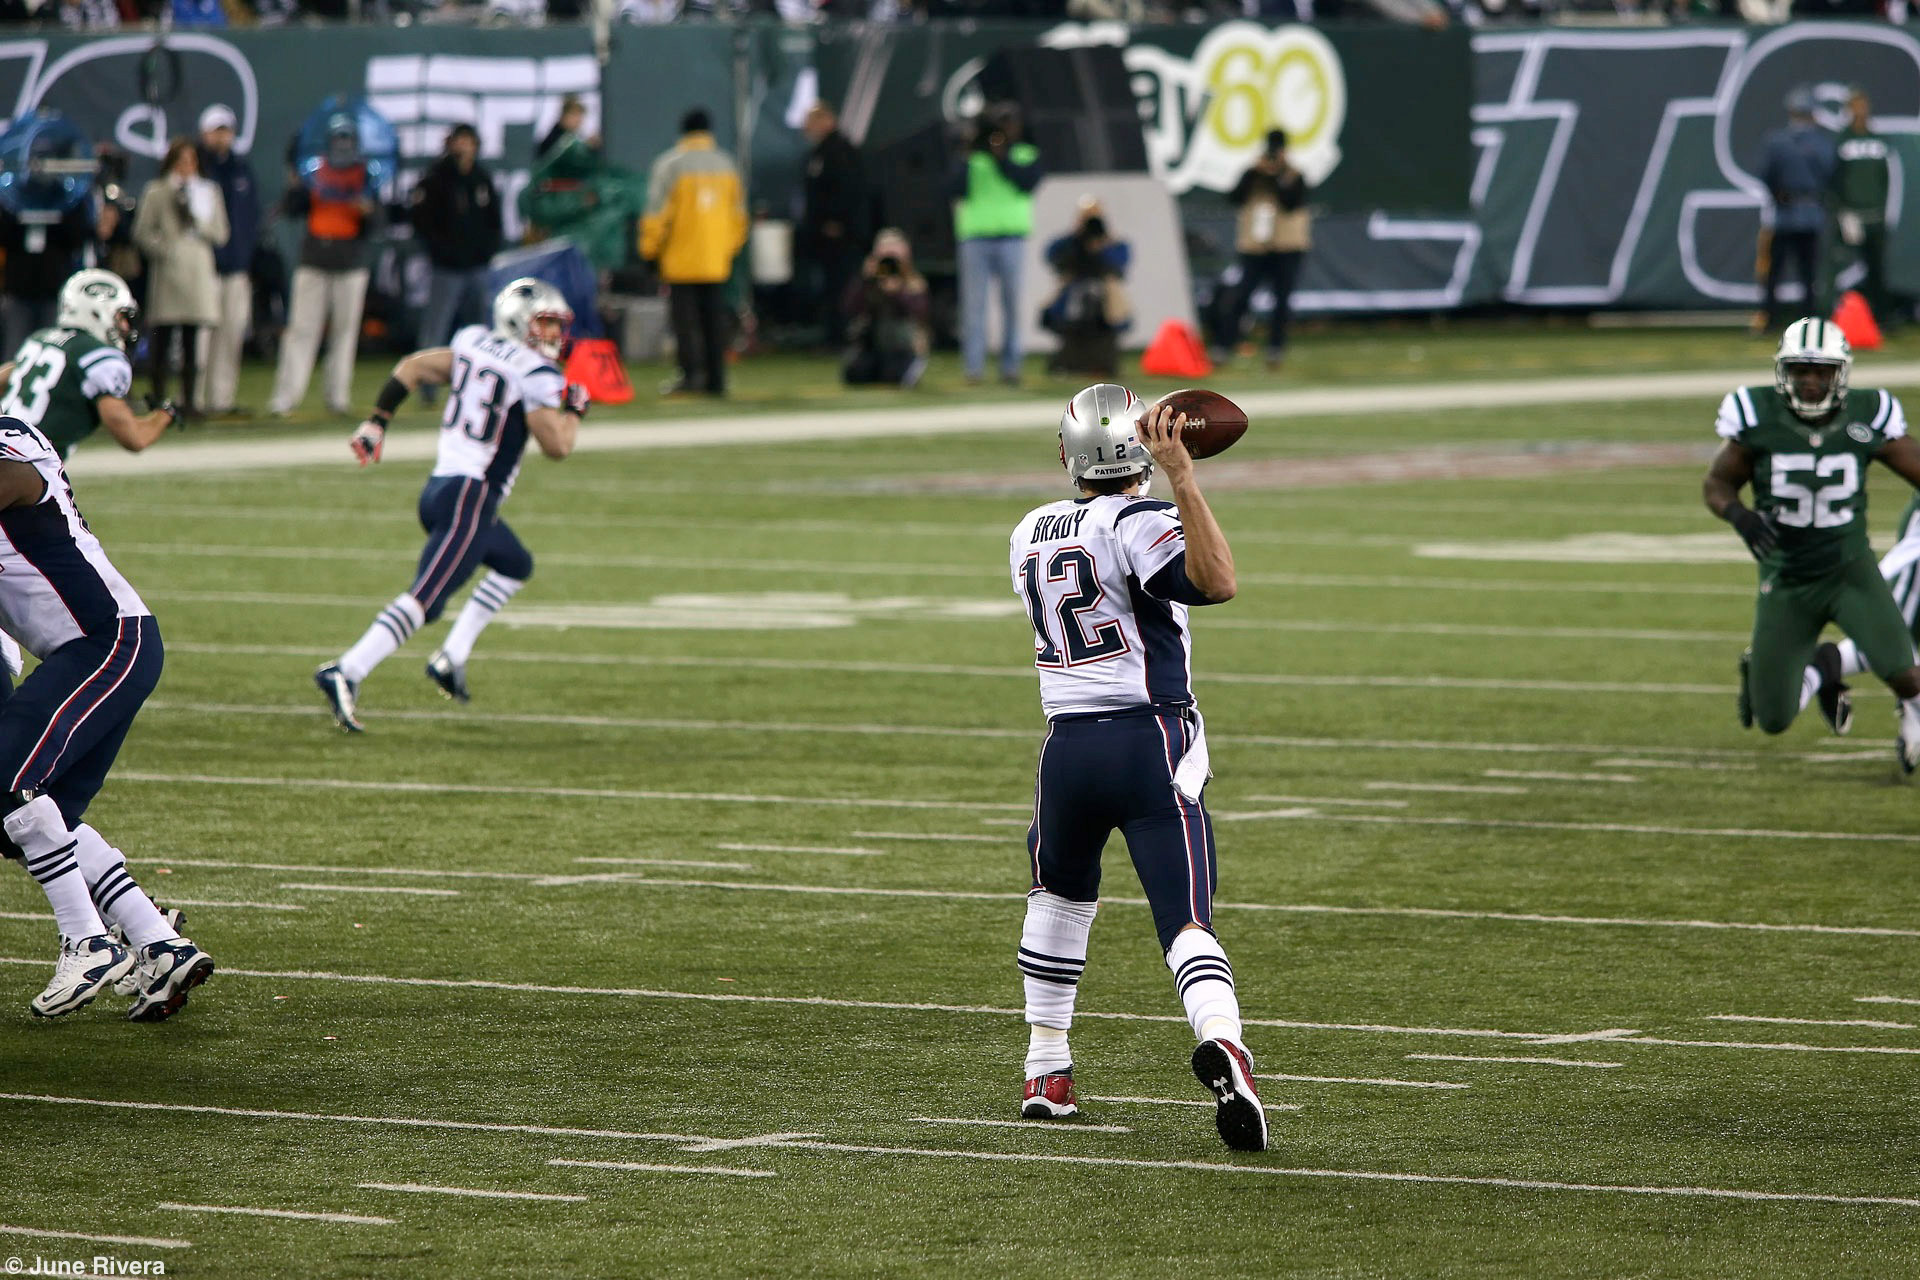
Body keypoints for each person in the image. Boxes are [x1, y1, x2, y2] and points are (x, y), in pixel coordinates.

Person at [1009, 383, 1266, 1153]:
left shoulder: (1028, 530)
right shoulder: (1141, 518)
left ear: (1068, 454)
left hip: (1066, 750)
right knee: (1185, 917)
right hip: (1149, 740)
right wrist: (1183, 475)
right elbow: (1216, 581)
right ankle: (1223, 1040)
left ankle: (1045, 1070)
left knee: (1057, 897)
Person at [0, 411, 212, 1021]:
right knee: (39, 819)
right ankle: (158, 942)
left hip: (106, 642)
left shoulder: (12, 444)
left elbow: (14, 479)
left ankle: (87, 940)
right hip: (100, 647)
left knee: (8, 782)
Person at [313, 278, 587, 732]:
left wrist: (377, 422)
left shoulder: (473, 342)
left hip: (442, 490)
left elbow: (413, 367)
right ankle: (347, 669)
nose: (555, 335)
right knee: (427, 599)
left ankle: (451, 656)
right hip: (470, 500)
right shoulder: (535, 372)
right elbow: (557, 445)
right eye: (546, 323)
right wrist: (574, 409)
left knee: (514, 564)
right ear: (519, 321)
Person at [1704, 317, 1920, 770]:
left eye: (1821, 371)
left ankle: (1834, 675)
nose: (1810, 381)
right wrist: (1739, 515)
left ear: (1840, 373)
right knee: (1774, 718)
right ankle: (1768, 673)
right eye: (1800, 370)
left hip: (1850, 572)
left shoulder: (1868, 414)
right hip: (1787, 578)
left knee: (1907, 675)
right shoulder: (1757, 415)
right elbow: (1717, 484)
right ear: (1783, 371)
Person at [269, 111, 384, 418]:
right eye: (338, 139)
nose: (343, 145)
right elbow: (292, 208)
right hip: (315, 258)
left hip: (350, 262)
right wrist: (296, 183)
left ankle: (337, 397)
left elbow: (378, 222)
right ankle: (285, 398)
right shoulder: (315, 172)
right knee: (302, 330)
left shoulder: (366, 175)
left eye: (348, 139)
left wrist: (368, 210)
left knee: (344, 334)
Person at [0, 269, 178, 459]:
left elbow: (11, 372)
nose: (125, 326)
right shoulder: (99, 356)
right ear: (97, 313)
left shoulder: (41, 338)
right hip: (23, 462)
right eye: (120, 317)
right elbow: (134, 438)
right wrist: (165, 414)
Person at [640, 109, 747, 398]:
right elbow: (739, 217)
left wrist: (650, 250)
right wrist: (727, 248)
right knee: (714, 321)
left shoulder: (670, 165)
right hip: (715, 259)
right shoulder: (726, 164)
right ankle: (717, 378)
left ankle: (691, 376)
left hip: (680, 259)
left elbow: (656, 213)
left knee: (685, 323)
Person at [132, 137, 228, 421]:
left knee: (192, 341)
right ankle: (159, 401)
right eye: (182, 160)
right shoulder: (157, 191)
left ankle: (190, 401)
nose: (187, 166)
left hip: (197, 272)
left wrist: (198, 221)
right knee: (162, 340)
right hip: (168, 273)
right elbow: (142, 232)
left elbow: (221, 233)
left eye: (191, 160)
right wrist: (165, 250)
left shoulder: (207, 191)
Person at [410, 123, 503, 398]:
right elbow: (422, 221)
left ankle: (478, 382)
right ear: (450, 144)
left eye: (468, 141)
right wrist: (440, 251)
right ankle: (427, 387)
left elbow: (494, 220)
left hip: (478, 266)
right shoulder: (436, 178)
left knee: (479, 331)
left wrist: (487, 251)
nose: (463, 146)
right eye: (459, 141)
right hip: (447, 268)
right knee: (436, 328)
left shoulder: (481, 178)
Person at [953, 103, 1042, 386]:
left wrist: (1002, 157)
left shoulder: (1025, 154)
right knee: (974, 307)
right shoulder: (973, 157)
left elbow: (1026, 182)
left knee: (1012, 305)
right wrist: (967, 150)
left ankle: (1011, 367)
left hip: (1011, 237)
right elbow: (954, 187)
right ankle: (973, 369)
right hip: (975, 237)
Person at [1216, 129, 1310, 370]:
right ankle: (1224, 344)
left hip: (1287, 247)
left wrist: (1277, 176)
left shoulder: (1294, 175)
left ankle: (1275, 348)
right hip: (1255, 248)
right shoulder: (1253, 174)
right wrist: (1254, 172)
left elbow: (1291, 202)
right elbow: (1234, 198)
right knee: (1241, 295)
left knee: (1282, 300)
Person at [196, 104, 261, 416]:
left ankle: (221, 400)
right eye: (216, 131)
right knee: (201, 339)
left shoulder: (241, 169)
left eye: (226, 131)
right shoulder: (197, 169)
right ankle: (193, 399)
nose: (222, 137)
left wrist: (246, 258)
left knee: (231, 335)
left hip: (236, 267)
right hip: (205, 268)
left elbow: (251, 218)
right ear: (204, 133)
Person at [1758, 88, 1836, 333]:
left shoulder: (1778, 141)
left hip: (1785, 212)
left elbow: (1767, 175)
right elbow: (1829, 174)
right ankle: (1808, 320)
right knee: (1807, 273)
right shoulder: (1821, 142)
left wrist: (1779, 194)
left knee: (1778, 271)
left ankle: (1771, 317)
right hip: (1809, 213)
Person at [799, 101, 868, 349]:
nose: (807, 129)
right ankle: (833, 336)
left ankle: (842, 337)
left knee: (842, 287)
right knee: (831, 287)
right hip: (823, 235)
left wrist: (837, 221)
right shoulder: (821, 152)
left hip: (841, 235)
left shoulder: (840, 152)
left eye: (811, 123)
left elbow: (849, 191)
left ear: (826, 121)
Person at [1040, 203, 1131, 378]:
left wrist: (1105, 242)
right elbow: (1053, 256)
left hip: (1105, 294)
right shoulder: (1069, 242)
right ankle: (1068, 362)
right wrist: (1075, 237)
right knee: (1070, 324)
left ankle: (1103, 362)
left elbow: (1119, 263)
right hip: (1074, 291)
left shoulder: (1113, 243)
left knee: (1110, 322)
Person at [1832, 87, 1893, 327]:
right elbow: (1835, 179)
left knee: (1877, 269)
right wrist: (1842, 211)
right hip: (1851, 215)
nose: (1860, 111)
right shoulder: (1842, 140)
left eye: (1863, 106)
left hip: (1875, 215)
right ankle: (1836, 315)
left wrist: (1883, 210)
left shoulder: (1877, 140)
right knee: (1838, 266)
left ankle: (1881, 317)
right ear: (1848, 110)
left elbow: (1884, 179)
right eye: (1855, 106)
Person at [841, 227, 928, 388]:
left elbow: (921, 314)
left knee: (894, 375)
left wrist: (897, 292)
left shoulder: (913, 281)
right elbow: (849, 308)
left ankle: (912, 364)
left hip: (902, 346)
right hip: (874, 344)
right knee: (855, 374)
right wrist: (864, 280)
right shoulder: (870, 280)